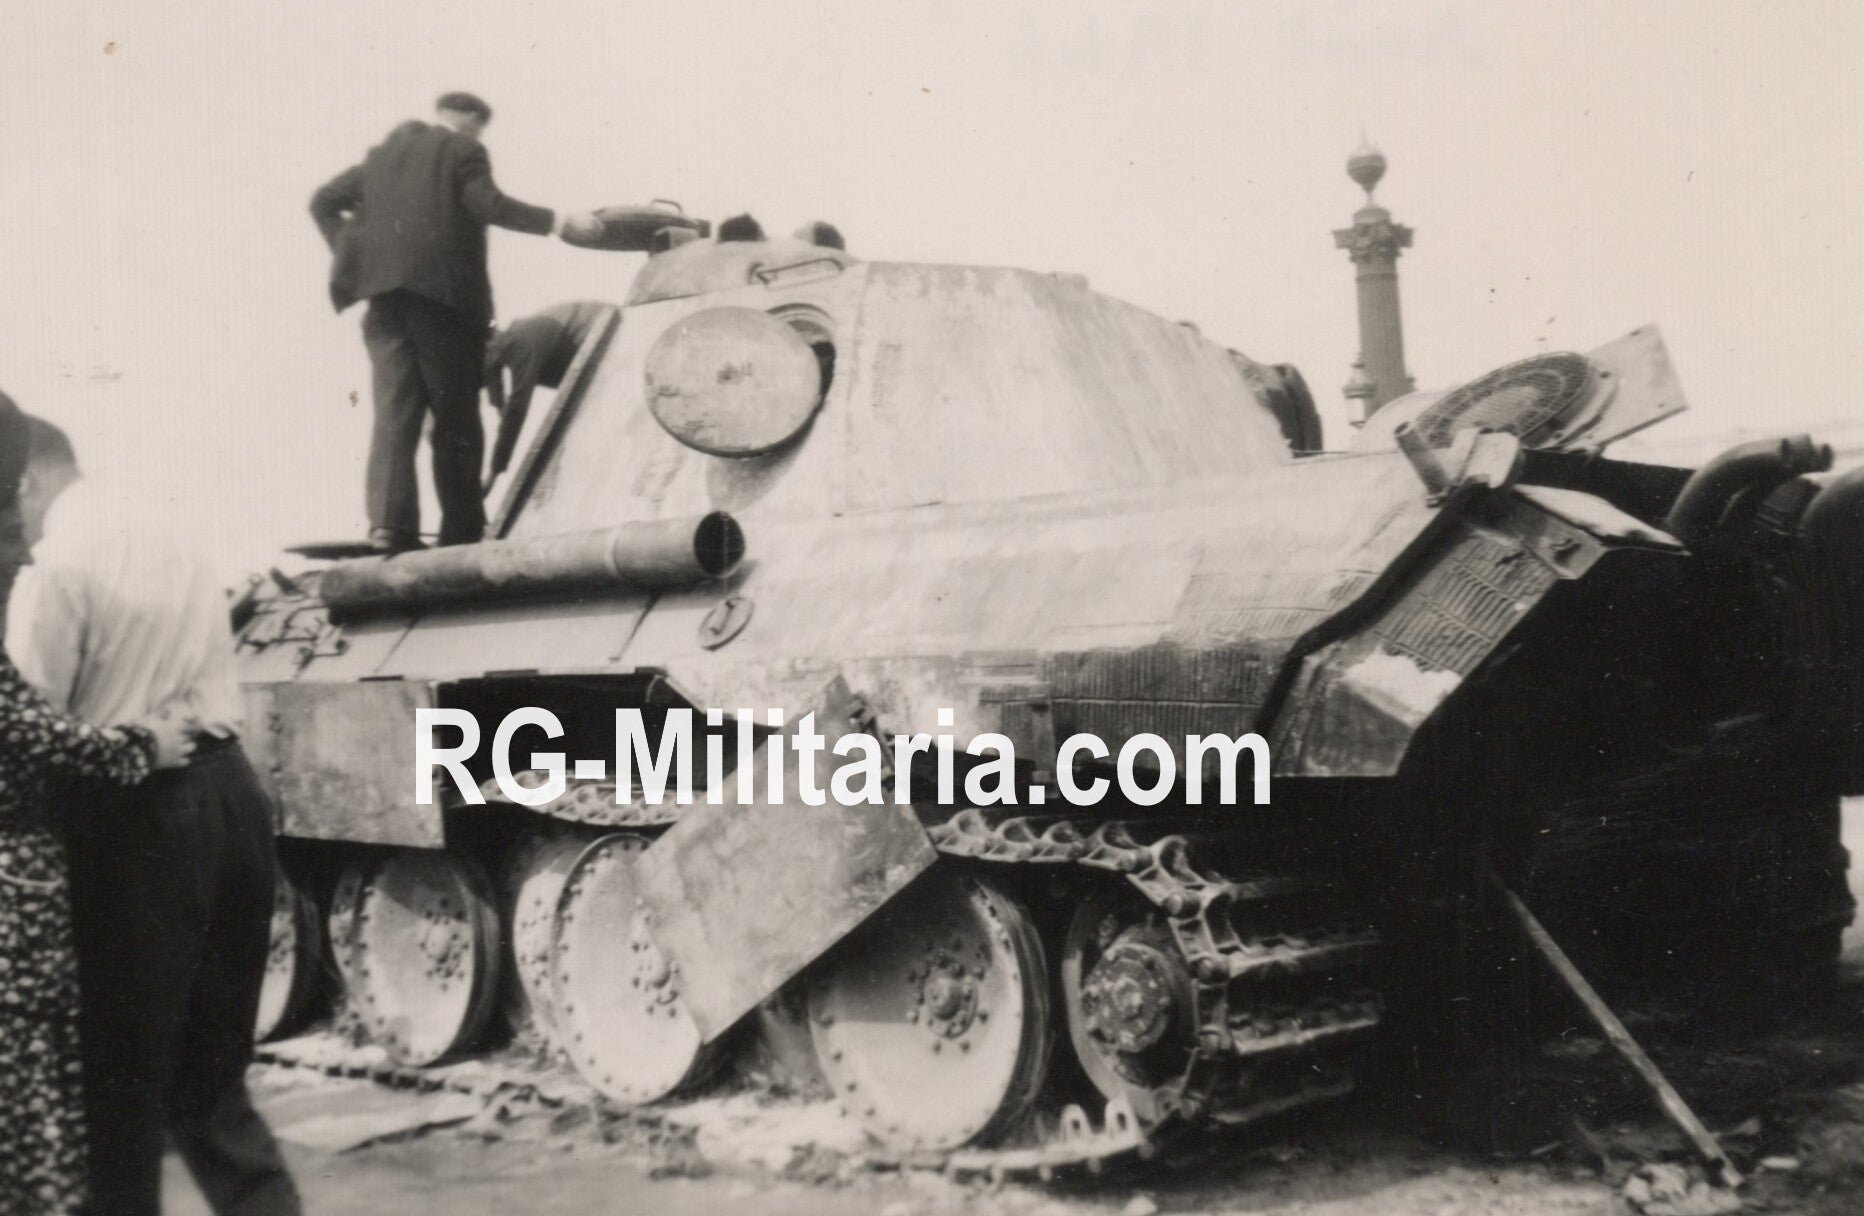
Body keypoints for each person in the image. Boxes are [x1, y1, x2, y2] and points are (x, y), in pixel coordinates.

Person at [7, 416, 301, 1216]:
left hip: (134, 819)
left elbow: (36, 725)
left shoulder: (57, 563)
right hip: (231, 798)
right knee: (212, 1089)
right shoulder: (170, 530)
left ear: (26, 480)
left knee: (117, 1100)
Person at [0, 395, 194, 1216]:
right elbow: (37, 733)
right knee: (31, 1079)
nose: (25, 540)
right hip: (16, 900)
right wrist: (147, 744)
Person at [310, 91, 602, 552]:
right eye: (480, 125)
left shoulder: (381, 158)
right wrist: (558, 222)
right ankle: (462, 530)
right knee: (456, 417)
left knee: (394, 413)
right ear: (469, 118)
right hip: (443, 300)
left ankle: (389, 527)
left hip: (381, 301)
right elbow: (487, 204)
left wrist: (360, 256)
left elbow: (322, 201)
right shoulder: (462, 148)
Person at [482, 300, 611, 493]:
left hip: (603, 332)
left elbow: (516, 411)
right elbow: (492, 375)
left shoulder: (522, 343)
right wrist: (499, 405)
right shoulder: (506, 344)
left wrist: (492, 475)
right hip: (584, 349)